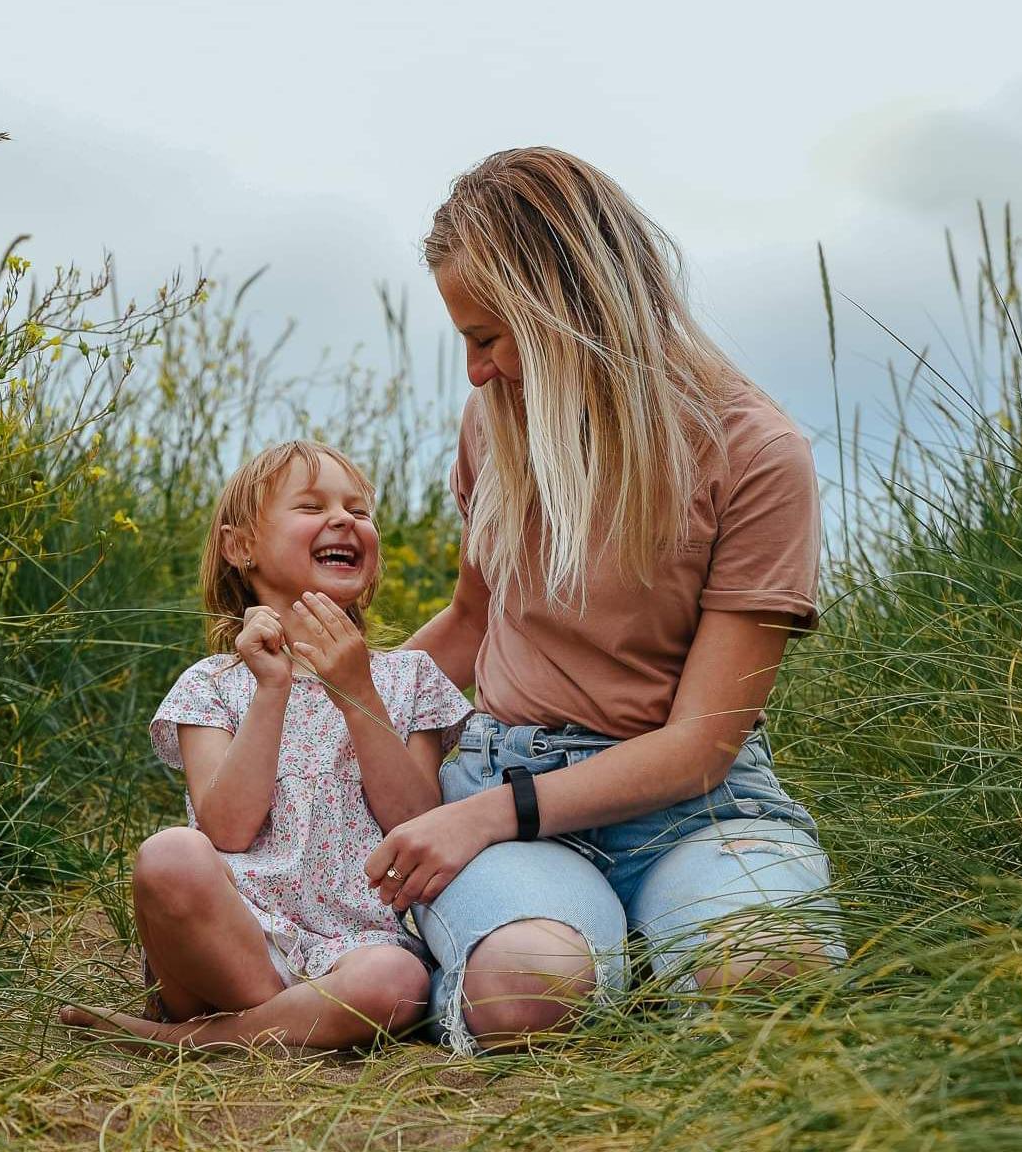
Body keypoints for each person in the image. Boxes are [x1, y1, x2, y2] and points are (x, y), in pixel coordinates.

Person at [362, 146, 847, 1055]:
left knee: (771, 985)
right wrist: (335, 701)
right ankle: (596, 947)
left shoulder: (756, 452)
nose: (475, 373)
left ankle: (655, 942)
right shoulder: (497, 421)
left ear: (568, 314)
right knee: (526, 993)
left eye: (487, 338)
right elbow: (470, 625)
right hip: (507, 771)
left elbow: (703, 744)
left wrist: (485, 817)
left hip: (698, 809)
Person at [58, 440, 472, 1051]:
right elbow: (225, 829)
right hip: (233, 936)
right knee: (169, 855)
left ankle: (200, 1040)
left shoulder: (409, 681)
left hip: (353, 946)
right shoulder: (212, 685)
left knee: (398, 982)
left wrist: (355, 691)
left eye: (359, 509)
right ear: (240, 546)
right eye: (311, 506)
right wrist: (271, 688)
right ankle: (296, 1023)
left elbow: (414, 824)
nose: (344, 520)